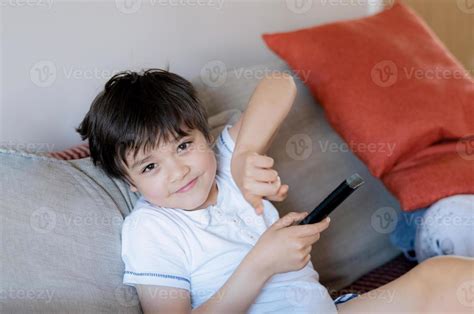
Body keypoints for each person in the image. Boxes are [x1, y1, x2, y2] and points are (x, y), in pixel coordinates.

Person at [76, 68, 473, 313]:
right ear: (131, 182)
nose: (178, 171)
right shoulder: (151, 228)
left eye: (183, 146)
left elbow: (280, 85)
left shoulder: (227, 169)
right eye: (150, 166)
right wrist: (262, 262)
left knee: (449, 278)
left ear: (203, 137)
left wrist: (244, 153)